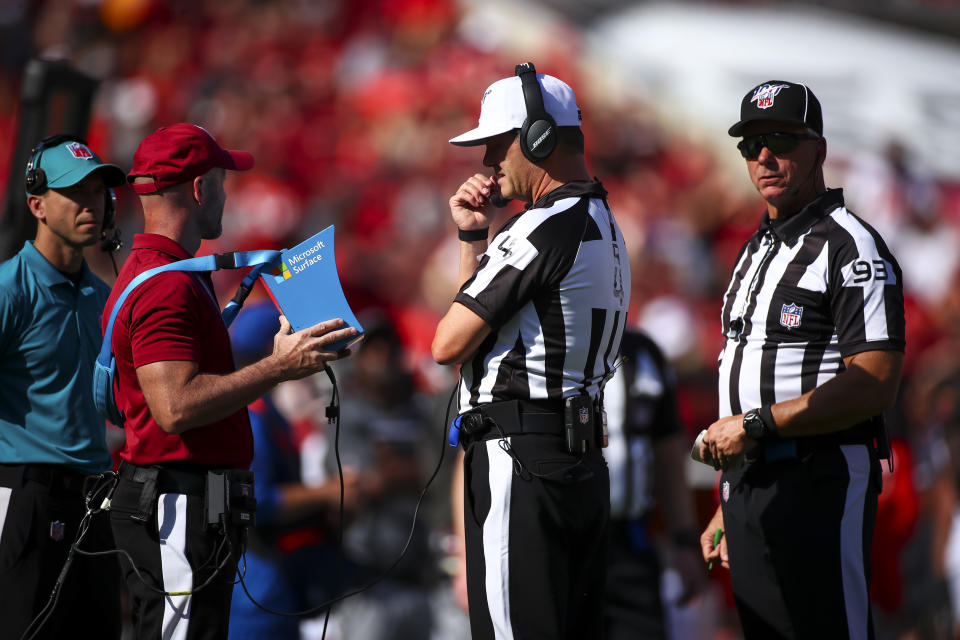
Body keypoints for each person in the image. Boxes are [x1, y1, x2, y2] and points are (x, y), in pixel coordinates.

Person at [102, 123, 356, 639]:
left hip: (182, 504)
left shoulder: (163, 272)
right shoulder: (167, 285)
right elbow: (174, 407)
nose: (225, 192)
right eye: (221, 180)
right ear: (200, 188)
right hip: (175, 505)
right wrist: (277, 367)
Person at [698, 81, 905, 639]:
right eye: (750, 144)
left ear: (819, 148)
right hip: (754, 483)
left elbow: (876, 381)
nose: (763, 156)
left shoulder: (850, 245)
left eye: (781, 140)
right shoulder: (755, 247)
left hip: (818, 476)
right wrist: (733, 491)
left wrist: (758, 425)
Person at [433, 63, 630, 640]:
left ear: (538, 138)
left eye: (496, 145)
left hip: (522, 459)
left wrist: (477, 241)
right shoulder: (602, 220)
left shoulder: (544, 225)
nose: (487, 163)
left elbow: (448, 343)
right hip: (579, 460)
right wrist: (476, 236)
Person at [0, 134, 126, 639]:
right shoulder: (10, 289)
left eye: (98, 192)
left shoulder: (104, 296)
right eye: (75, 192)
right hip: (25, 499)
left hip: (93, 504)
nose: (91, 204)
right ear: (37, 204)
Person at [226, 300, 357, 640]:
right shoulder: (251, 419)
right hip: (255, 597)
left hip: (274, 586)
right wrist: (329, 492)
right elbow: (258, 503)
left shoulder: (265, 411)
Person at [602, 327, 705, 639]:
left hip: (629, 541)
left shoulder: (643, 351)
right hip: (561, 544)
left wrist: (684, 541)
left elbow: (669, 453)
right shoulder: (540, 344)